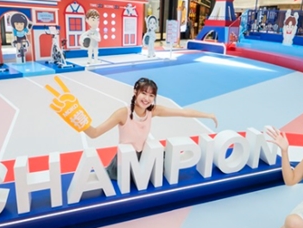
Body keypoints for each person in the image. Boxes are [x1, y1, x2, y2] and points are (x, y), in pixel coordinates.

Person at [82, 77, 217, 179]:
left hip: (144, 157)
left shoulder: (153, 111)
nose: (147, 98)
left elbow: (184, 113)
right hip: (126, 160)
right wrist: (78, 121)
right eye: (144, 93)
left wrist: (208, 115)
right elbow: (95, 133)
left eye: (151, 95)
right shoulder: (123, 113)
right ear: (135, 92)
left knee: (164, 159)